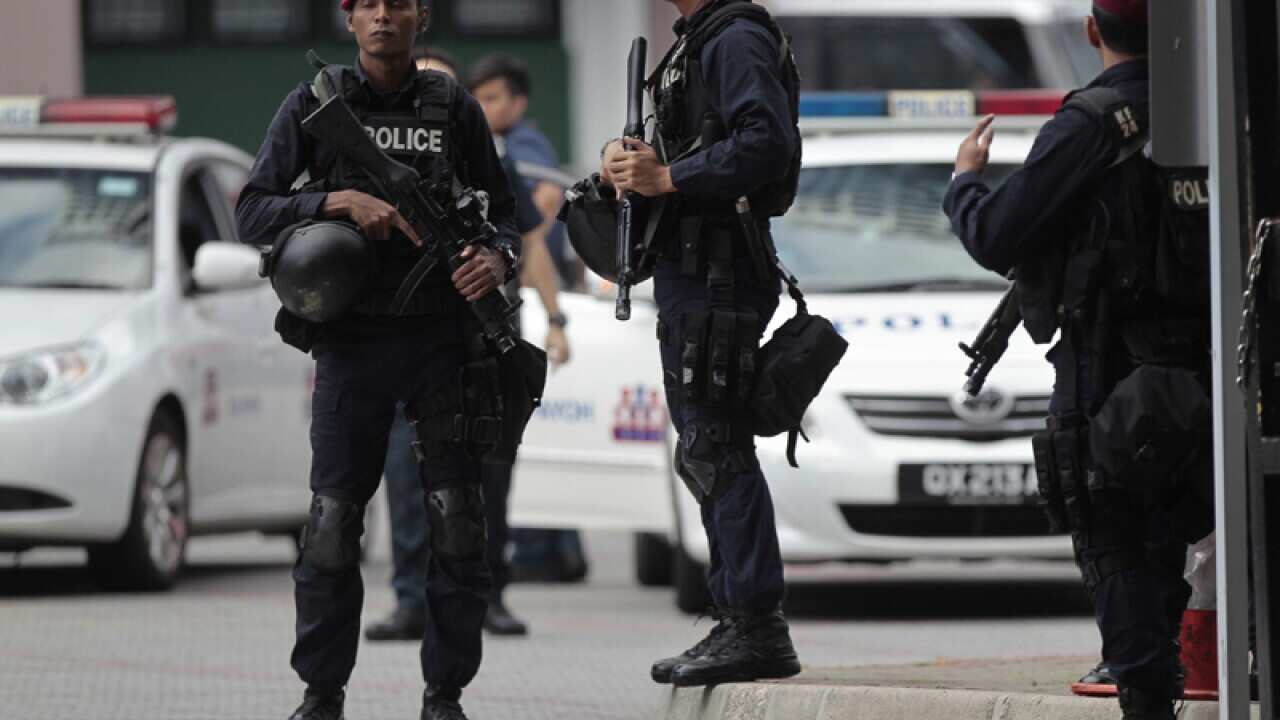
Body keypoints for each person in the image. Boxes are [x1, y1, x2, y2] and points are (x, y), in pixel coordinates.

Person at [235, 2, 521, 718]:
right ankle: (322, 694)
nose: (383, 17)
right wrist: (338, 202)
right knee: (331, 524)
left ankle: (444, 695)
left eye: (397, 4)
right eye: (368, 5)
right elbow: (252, 209)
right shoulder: (314, 103)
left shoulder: (451, 105)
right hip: (352, 344)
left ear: (419, 17)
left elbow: (506, 215)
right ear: (348, 17)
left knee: (458, 520)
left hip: (440, 343)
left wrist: (493, 258)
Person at [942, 2, 1215, 718]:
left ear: (1093, 31)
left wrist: (965, 180)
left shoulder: (1092, 122)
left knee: (1119, 550)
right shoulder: (1221, 108)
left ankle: (1148, 695)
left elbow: (997, 235)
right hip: (1210, 373)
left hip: (1111, 376)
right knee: (1175, 543)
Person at [600, 0, 803, 687]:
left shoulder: (735, 38)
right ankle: (736, 619)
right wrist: (628, 160)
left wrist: (670, 178)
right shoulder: (706, 39)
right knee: (706, 450)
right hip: (698, 272)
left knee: (716, 449)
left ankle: (754, 626)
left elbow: (765, 143)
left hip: (720, 276)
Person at [364, 45, 567, 642]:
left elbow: (528, 242)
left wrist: (556, 320)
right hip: (406, 338)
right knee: (406, 473)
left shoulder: (489, 159)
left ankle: (489, 595)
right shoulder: (372, 161)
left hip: (486, 337)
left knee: (490, 468)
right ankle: (410, 600)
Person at [467, 53, 588, 584]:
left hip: (515, 299)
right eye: (477, 98)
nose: (482, 107)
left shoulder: (521, 150)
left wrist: (555, 318)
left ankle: (540, 554)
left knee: (503, 445)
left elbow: (534, 236)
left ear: (517, 103)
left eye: (492, 98)